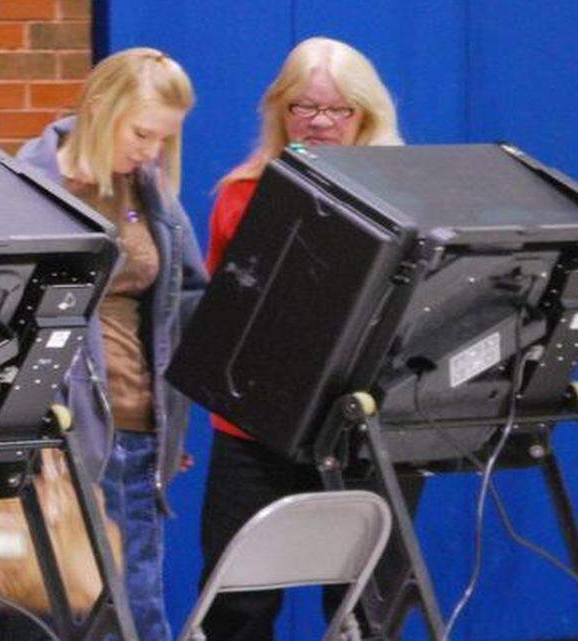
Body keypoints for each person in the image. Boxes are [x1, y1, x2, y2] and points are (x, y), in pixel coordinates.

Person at [0, 47, 208, 641]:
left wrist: (173, 423)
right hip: (57, 438)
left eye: (164, 139)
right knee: (45, 615)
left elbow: (184, 305)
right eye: (141, 133)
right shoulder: (29, 184)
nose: (151, 151)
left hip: (137, 433)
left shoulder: (150, 191)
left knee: (134, 609)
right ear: (101, 108)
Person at [199, 37, 403, 641]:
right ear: (279, 112)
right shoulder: (242, 193)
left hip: (362, 425)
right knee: (237, 605)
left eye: (337, 110)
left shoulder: (403, 195)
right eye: (302, 107)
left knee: (368, 611)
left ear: (365, 115)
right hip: (255, 428)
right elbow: (223, 314)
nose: (318, 122)